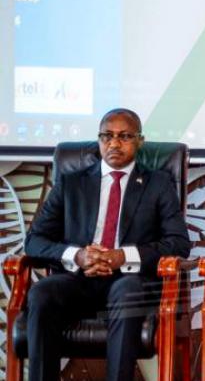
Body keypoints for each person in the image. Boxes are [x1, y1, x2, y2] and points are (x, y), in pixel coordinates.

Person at [23, 108, 190, 381]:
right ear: (99, 139)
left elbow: (179, 243)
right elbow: (34, 241)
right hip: (78, 279)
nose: (114, 143)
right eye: (107, 136)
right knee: (42, 293)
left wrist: (122, 256)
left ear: (140, 141)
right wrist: (78, 255)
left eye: (124, 136)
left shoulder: (158, 183)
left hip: (129, 279)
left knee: (127, 292)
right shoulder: (71, 183)